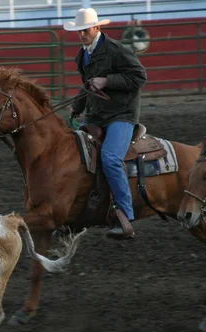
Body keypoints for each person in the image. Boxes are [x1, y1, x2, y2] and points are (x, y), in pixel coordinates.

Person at [64, 8, 147, 239]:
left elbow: (139, 77)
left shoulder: (116, 50)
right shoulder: (82, 56)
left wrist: (108, 80)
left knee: (110, 158)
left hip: (122, 114)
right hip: (96, 114)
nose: (82, 35)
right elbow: (89, 85)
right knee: (75, 154)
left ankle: (126, 215)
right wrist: (77, 107)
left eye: (85, 30)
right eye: (79, 31)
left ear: (97, 28)